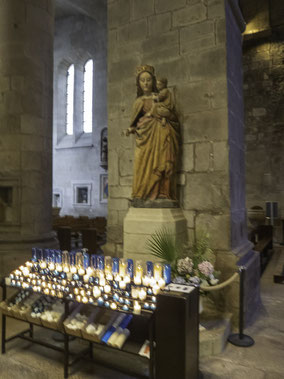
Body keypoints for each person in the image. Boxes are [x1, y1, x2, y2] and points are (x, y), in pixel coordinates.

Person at [126, 65, 179, 200]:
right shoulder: (138, 102)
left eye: (148, 80)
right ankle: (143, 194)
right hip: (144, 139)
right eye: (142, 80)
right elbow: (134, 122)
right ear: (138, 83)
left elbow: (173, 117)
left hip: (161, 133)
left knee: (162, 163)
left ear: (154, 81)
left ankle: (162, 193)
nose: (145, 83)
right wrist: (132, 128)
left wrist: (164, 115)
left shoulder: (161, 97)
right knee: (142, 165)